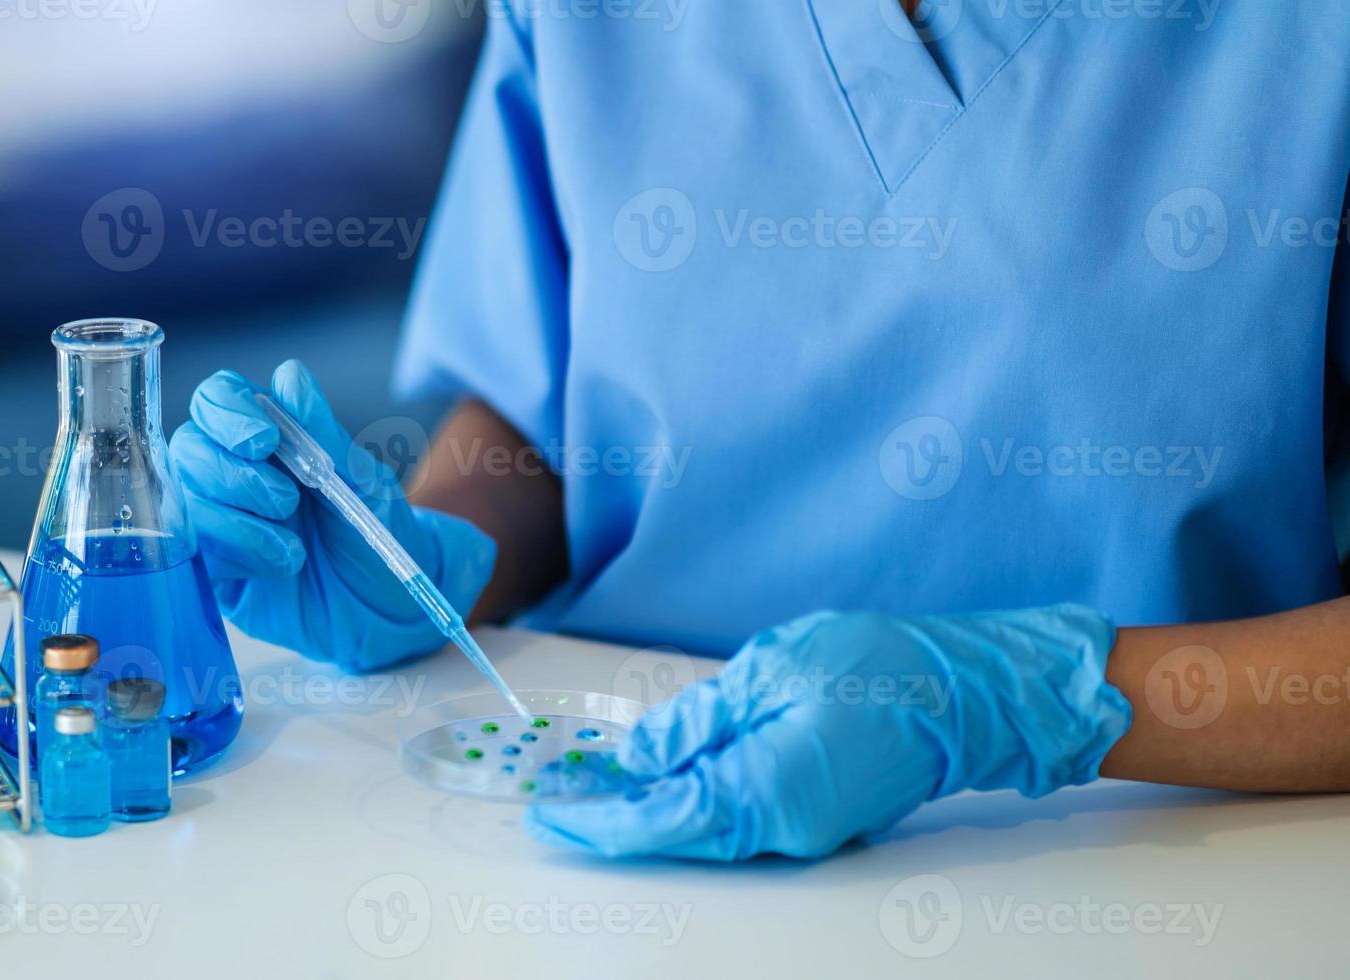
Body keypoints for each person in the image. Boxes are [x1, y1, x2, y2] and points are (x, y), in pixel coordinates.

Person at [170, 3, 1350, 860]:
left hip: (1159, 853)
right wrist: (422, 559)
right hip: (618, 822)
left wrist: (1026, 697)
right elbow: (539, 415)